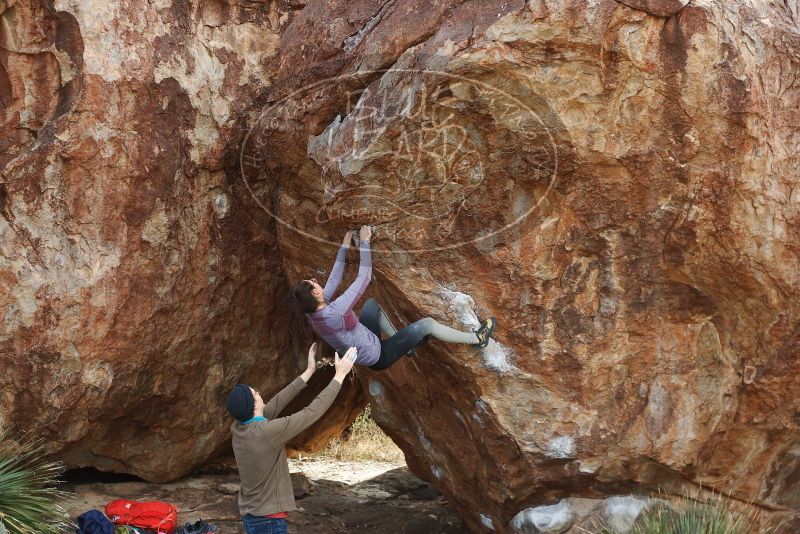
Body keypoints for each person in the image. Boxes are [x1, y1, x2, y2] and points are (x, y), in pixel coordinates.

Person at [291, 225, 496, 371]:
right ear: (315, 293)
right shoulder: (335, 313)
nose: (316, 281)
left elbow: (334, 280)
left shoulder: (313, 312)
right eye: (313, 283)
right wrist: (364, 242)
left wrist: (345, 247)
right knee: (428, 324)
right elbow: (364, 278)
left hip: (364, 341)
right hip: (379, 355)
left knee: (371, 306)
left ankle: (409, 346)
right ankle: (478, 338)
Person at [226, 343, 357, 534]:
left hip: (252, 516)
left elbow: (278, 401)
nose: (260, 392)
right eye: (256, 393)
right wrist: (340, 375)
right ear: (254, 406)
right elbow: (312, 412)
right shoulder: (267, 433)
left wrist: (310, 371)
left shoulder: (239, 427)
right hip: (268, 522)